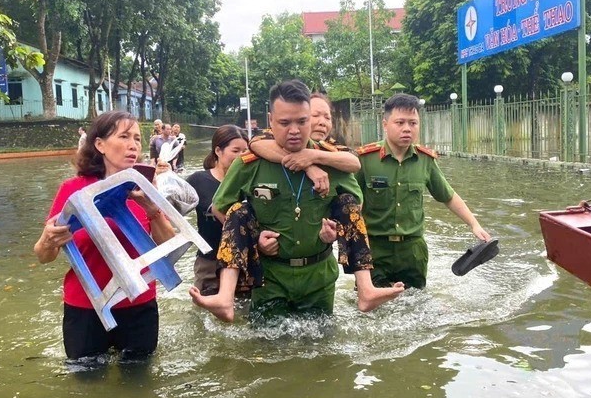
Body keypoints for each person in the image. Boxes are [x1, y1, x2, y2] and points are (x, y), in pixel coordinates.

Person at [190, 79, 362, 322]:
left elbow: (355, 205)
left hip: (319, 278)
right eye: (284, 123)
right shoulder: (251, 163)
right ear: (271, 120)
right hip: (270, 279)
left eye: (302, 121)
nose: (294, 130)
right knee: (266, 350)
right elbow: (222, 207)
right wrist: (255, 238)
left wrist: (334, 230)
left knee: (323, 351)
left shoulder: (331, 162)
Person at [34, 110, 175, 361]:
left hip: (139, 304)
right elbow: (44, 257)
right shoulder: (73, 189)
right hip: (85, 306)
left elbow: (169, 247)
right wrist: (48, 240)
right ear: (100, 144)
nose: (133, 145)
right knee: (86, 384)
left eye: (137, 139)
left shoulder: (144, 188)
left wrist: (152, 210)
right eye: (123, 137)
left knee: (139, 383)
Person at [245, 92, 404, 311]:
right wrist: (304, 164)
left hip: (319, 273)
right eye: (315, 115)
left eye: (327, 117)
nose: (322, 122)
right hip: (272, 275)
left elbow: (354, 173)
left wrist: (314, 158)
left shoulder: (332, 153)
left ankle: (366, 288)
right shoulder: (263, 148)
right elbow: (255, 142)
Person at [357, 93, 491, 291]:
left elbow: (448, 195)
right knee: (374, 308)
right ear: (385, 124)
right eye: (400, 122)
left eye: (413, 123)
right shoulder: (366, 160)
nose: (407, 129)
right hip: (375, 248)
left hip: (413, 250)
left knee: (416, 304)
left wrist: (474, 224)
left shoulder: (425, 160)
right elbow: (352, 205)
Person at [185, 125, 249, 296]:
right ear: (218, 151)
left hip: (244, 263)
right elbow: (172, 209)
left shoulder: (250, 183)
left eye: (245, 151)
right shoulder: (198, 180)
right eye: (236, 150)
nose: (241, 156)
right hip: (209, 264)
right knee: (207, 317)